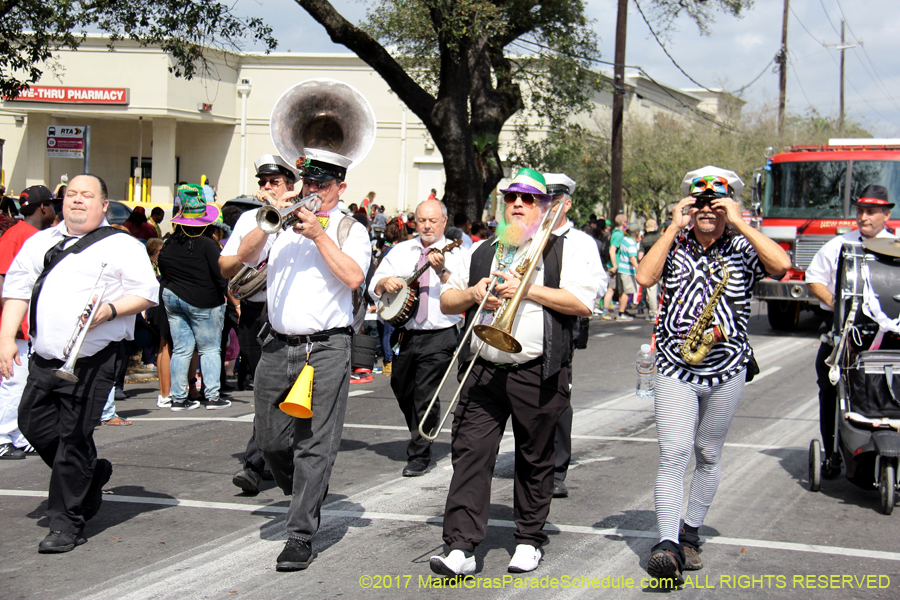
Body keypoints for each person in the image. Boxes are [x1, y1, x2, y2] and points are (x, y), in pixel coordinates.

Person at [430, 169, 599, 576]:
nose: (518, 205)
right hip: (483, 367)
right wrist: (475, 293)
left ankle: (528, 538)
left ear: (544, 207)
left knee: (534, 456)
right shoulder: (486, 249)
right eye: (512, 198)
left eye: (528, 199)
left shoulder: (568, 247)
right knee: (470, 455)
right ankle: (461, 546)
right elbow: (450, 303)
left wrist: (524, 289)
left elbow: (581, 302)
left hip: (536, 369)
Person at [635, 166, 790, 584]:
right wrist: (671, 228)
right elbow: (645, 277)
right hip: (675, 367)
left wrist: (741, 222)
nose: (707, 209)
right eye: (700, 202)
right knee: (674, 453)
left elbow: (781, 265)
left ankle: (690, 533)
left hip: (727, 368)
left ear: (729, 206)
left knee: (707, 452)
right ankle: (666, 545)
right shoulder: (675, 242)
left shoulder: (741, 244)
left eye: (716, 203)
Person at [0, 174, 159, 553]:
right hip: (44, 355)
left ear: (103, 205)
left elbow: (147, 293)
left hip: (94, 358)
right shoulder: (41, 242)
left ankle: (66, 522)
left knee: (72, 439)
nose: (77, 200)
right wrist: (6, 338)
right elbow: (18, 292)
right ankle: (89, 474)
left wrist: (111, 309)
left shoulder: (122, 245)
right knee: (31, 424)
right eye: (70, 194)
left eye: (87, 195)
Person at [237, 147, 371, 572]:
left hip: (326, 349)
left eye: (321, 185)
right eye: (307, 183)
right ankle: (306, 492)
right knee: (272, 441)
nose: (311, 191)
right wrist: (269, 221)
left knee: (314, 443)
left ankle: (299, 534)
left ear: (340, 187)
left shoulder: (351, 229)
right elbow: (243, 257)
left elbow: (353, 277)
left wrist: (318, 234)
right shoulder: (282, 224)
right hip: (276, 344)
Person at [221, 154, 299, 494]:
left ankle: (256, 463)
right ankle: (272, 454)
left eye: (275, 183)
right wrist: (267, 223)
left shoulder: (305, 218)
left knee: (282, 391)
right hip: (255, 312)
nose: (268, 188)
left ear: (291, 186)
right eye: (264, 183)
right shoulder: (252, 220)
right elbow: (228, 264)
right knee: (264, 390)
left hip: (290, 315)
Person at [806, 184, 895, 479]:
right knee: (829, 384)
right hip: (844, 331)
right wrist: (838, 304)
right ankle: (833, 453)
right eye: (860, 211)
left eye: (871, 212)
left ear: (886, 214)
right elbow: (814, 278)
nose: (863, 217)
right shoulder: (839, 245)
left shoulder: (897, 246)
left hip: (889, 336)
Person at [370, 199, 464, 476]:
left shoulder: (457, 253)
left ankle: (419, 453)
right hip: (404, 334)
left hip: (440, 334)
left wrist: (441, 270)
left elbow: (463, 289)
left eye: (433, 221)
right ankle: (422, 426)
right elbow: (375, 286)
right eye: (422, 220)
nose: (426, 225)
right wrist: (382, 283)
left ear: (444, 222)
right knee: (401, 386)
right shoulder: (401, 251)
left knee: (425, 392)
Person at [542, 173, 605, 499]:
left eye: (554, 201)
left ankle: (556, 470)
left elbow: (599, 284)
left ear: (566, 203)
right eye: (544, 200)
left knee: (557, 391)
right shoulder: (528, 235)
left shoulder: (580, 242)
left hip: (564, 320)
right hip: (528, 320)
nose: (547, 206)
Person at [158, 185, 229, 411]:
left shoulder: (169, 243)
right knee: (209, 349)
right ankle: (213, 396)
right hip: (205, 301)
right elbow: (220, 275)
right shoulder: (209, 245)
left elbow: (163, 269)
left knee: (181, 349)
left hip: (173, 298)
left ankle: (178, 398)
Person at [0, 186, 57, 459]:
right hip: (19, 326)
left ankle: (19, 436)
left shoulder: (32, 236)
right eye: (53, 204)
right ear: (43, 207)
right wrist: (12, 327)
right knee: (13, 381)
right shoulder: (19, 237)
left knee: (22, 384)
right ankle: (2, 436)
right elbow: (4, 284)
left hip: (27, 326)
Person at [599, 215, 626, 320]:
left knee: (612, 290)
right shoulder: (618, 235)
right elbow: (612, 250)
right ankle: (605, 313)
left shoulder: (615, 233)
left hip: (612, 265)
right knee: (610, 290)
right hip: (612, 266)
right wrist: (615, 265)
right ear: (623, 222)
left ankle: (607, 312)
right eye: (626, 221)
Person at [613, 223, 640, 321]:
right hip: (627, 270)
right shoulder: (631, 243)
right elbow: (632, 258)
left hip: (621, 268)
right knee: (627, 292)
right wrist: (638, 268)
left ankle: (623, 311)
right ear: (636, 232)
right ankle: (621, 313)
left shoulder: (625, 240)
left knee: (622, 292)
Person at [640, 219, 662, 320]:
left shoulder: (644, 240)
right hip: (662, 264)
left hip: (650, 266)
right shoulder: (661, 237)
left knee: (652, 290)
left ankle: (653, 312)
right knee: (665, 288)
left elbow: (640, 256)